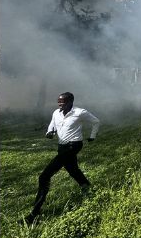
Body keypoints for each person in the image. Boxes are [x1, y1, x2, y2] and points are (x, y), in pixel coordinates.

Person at [26, 92, 99, 225]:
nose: (60, 104)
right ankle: (89, 190)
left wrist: (92, 136)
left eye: (63, 102)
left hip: (74, 145)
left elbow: (96, 121)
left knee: (44, 177)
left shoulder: (80, 112)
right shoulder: (56, 113)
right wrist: (49, 132)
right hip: (62, 146)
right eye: (58, 101)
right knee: (73, 170)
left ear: (71, 101)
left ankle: (34, 214)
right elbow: (52, 125)